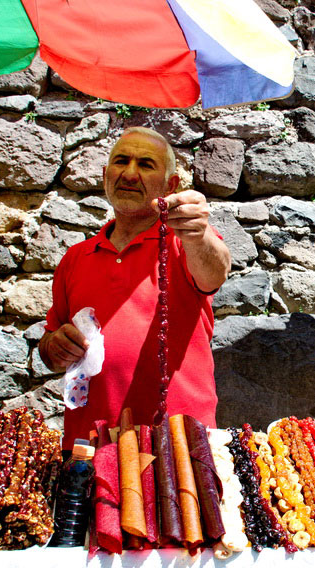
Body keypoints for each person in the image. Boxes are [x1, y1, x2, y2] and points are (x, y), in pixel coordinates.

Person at [38, 127, 231, 449]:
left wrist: (199, 235)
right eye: (121, 161)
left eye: (145, 164)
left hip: (179, 443)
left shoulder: (184, 242)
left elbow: (215, 272)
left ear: (170, 185)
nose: (129, 173)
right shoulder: (76, 257)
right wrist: (56, 347)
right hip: (90, 442)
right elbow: (50, 347)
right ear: (105, 175)